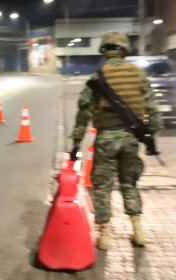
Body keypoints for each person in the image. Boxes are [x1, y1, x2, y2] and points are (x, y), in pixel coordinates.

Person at [69, 31, 161, 250]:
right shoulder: (138, 74)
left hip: (105, 139)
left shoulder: (98, 78)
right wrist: (150, 137)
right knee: (129, 183)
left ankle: (105, 235)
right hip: (131, 139)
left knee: (103, 186)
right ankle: (138, 230)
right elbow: (152, 107)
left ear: (104, 50)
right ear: (124, 49)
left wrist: (75, 145)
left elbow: (84, 113)